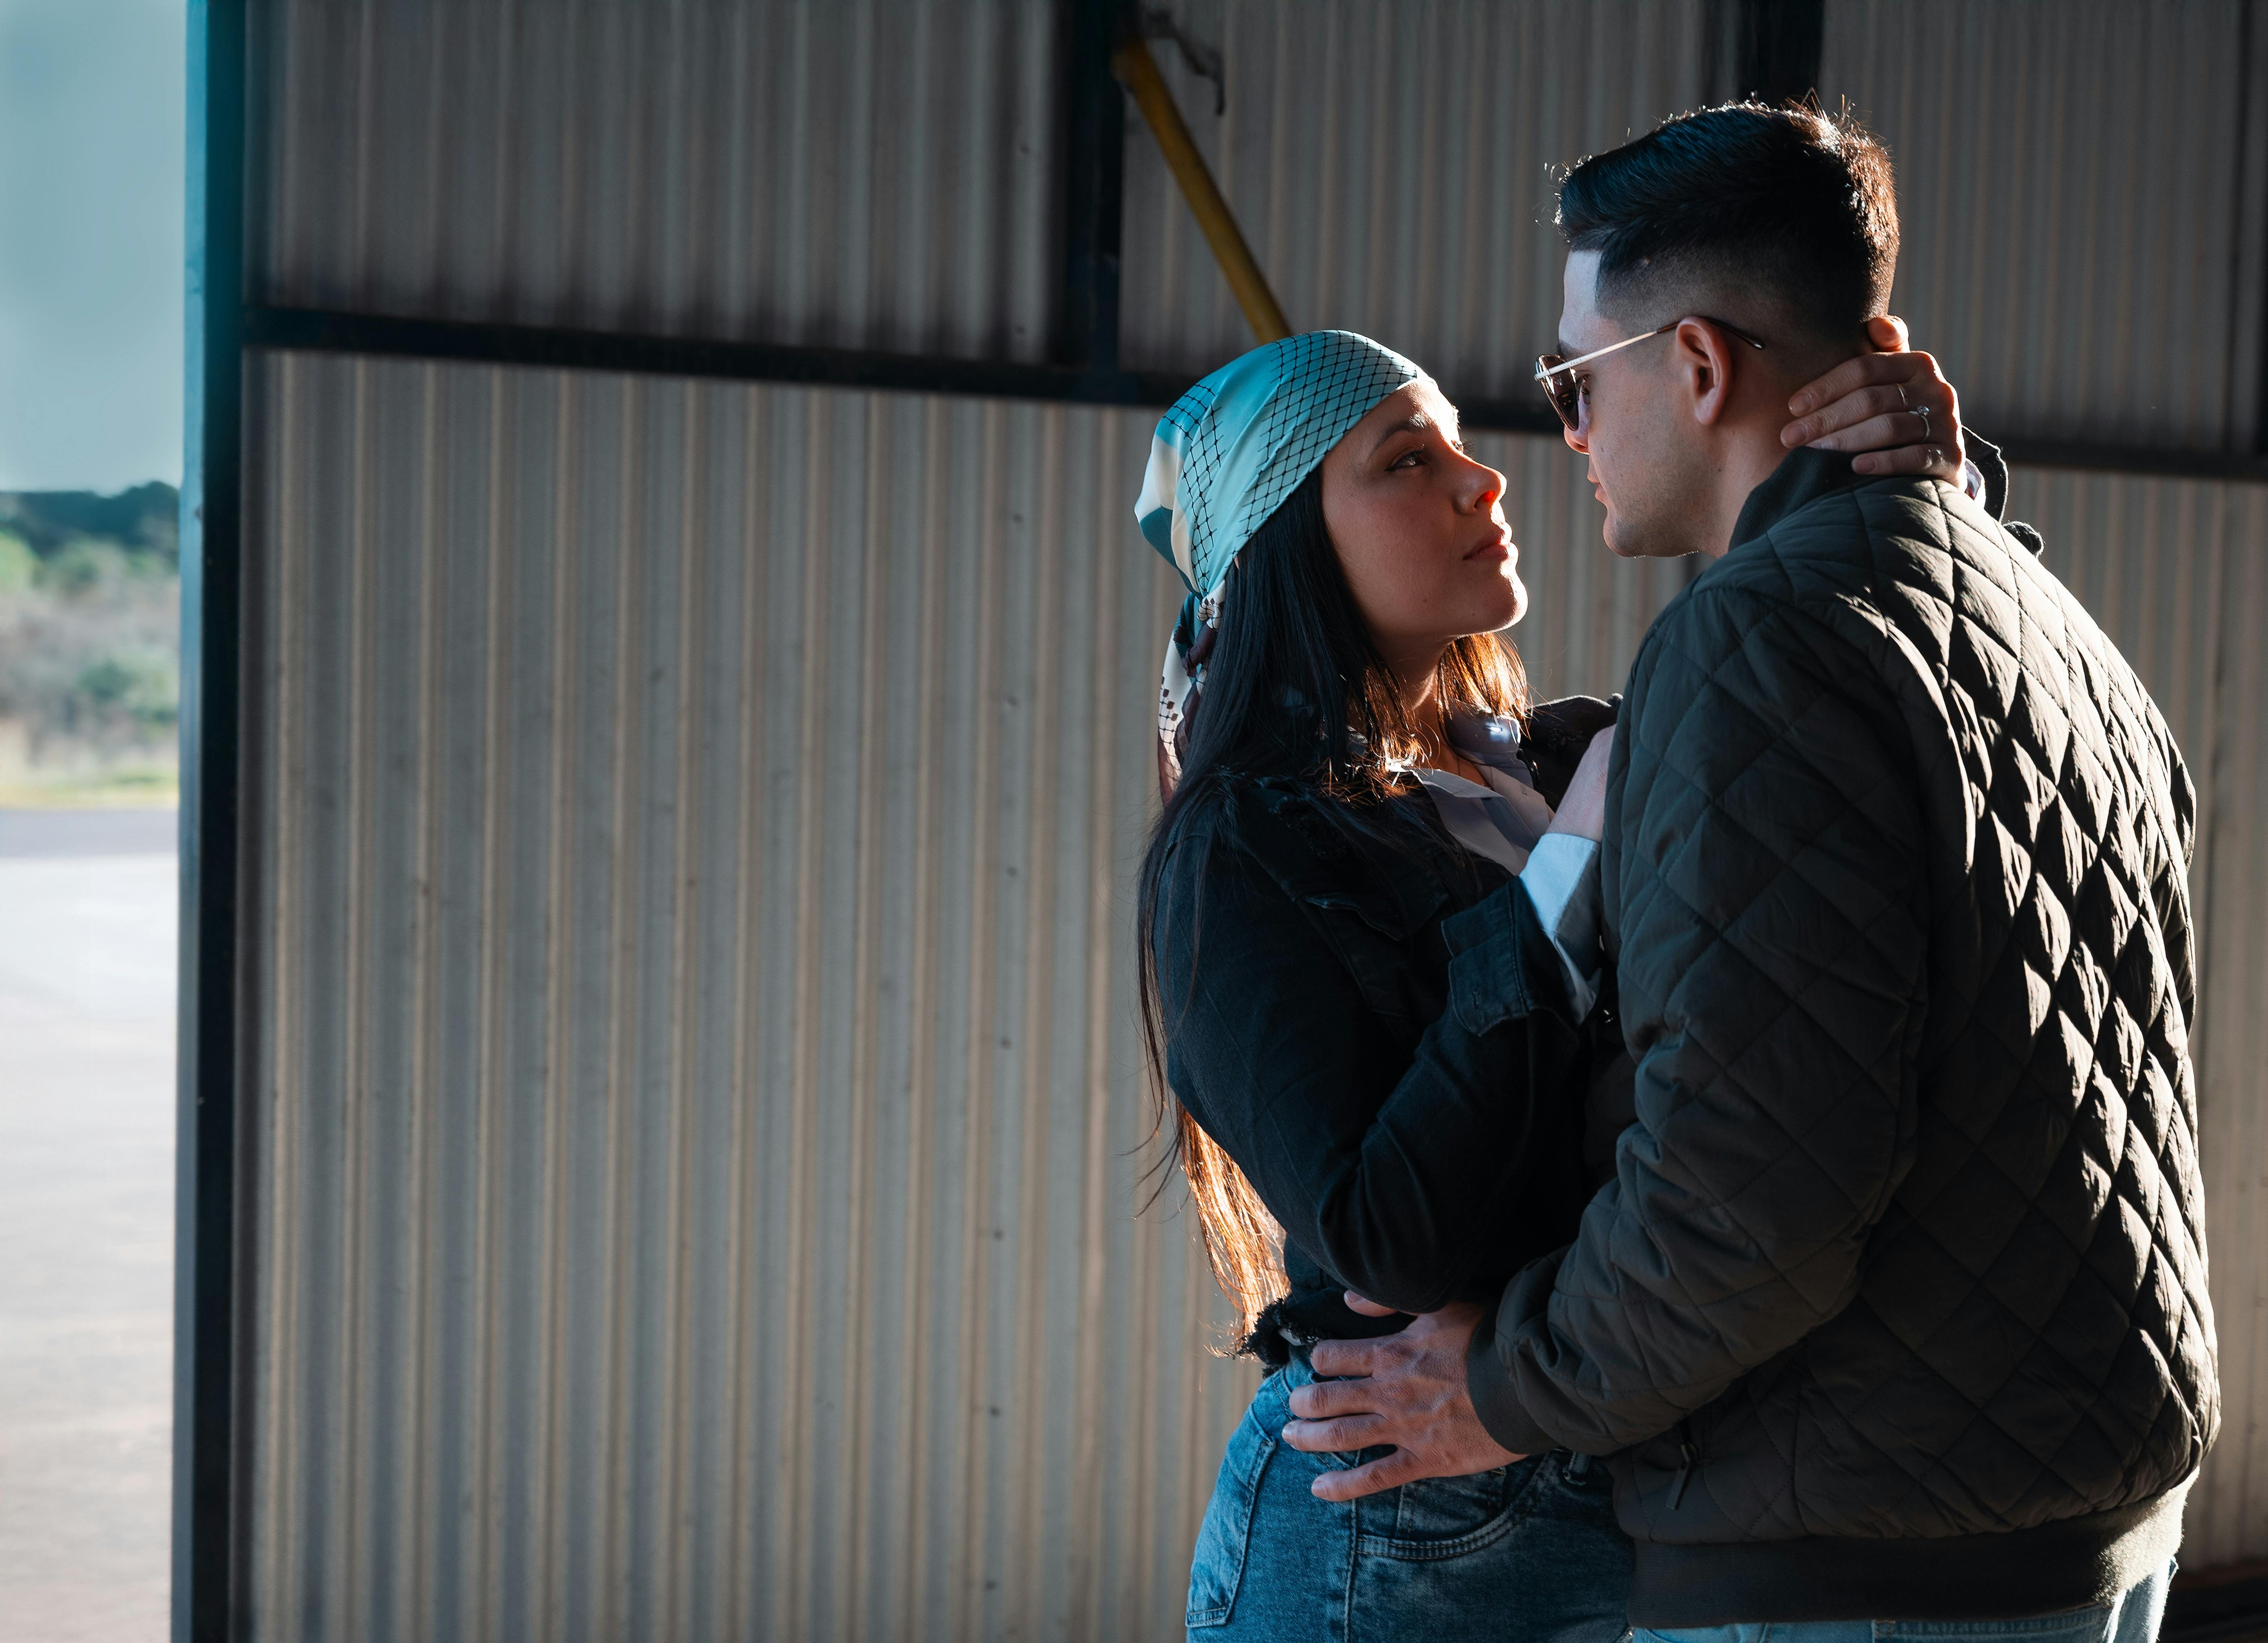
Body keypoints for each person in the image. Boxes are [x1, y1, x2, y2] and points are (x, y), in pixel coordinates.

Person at [1276, 104, 2216, 1643]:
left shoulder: (1758, 640)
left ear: (1700, 368)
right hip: (2090, 1522)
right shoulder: (2052, 621)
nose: (1563, 441)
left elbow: (1750, 1194)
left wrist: (1502, 1389)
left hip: (1857, 1559)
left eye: (1577, 386)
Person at [1136, 320, 1975, 1639]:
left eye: (1465, 447)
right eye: (1408, 461)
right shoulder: (1245, 844)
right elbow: (1389, 1239)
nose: (1488, 481)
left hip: (1621, 1467)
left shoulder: (1558, 758)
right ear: (1288, 546)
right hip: (1389, 1530)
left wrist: (1929, 488)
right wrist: (1569, 870)